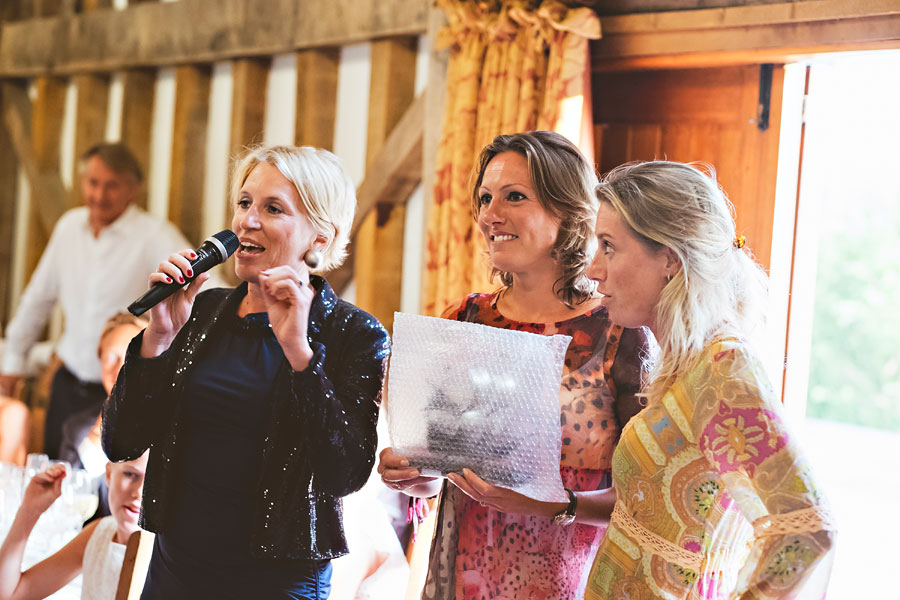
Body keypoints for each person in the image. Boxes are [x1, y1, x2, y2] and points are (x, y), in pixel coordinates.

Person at [527, 160, 832, 599]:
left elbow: (809, 530)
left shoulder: (725, 366)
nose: (594, 270)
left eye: (609, 247)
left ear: (668, 258)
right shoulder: (685, 362)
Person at [101, 145, 391, 600]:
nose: (246, 222)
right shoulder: (202, 312)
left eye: (272, 208)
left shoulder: (354, 333)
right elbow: (121, 442)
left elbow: (345, 473)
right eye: (244, 203)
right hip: (177, 570)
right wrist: (157, 339)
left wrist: (299, 353)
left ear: (320, 236)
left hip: (276, 582)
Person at [378, 131, 649, 599]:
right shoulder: (466, 318)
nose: (489, 215)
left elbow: (647, 499)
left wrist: (556, 505)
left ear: (567, 211)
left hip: (569, 580)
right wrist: (414, 474)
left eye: (514, 197)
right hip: (460, 577)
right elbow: (435, 470)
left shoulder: (620, 332)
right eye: (484, 198)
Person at [0, 143, 193, 461]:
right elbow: (38, 298)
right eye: (93, 183)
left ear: (134, 190)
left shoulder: (154, 235)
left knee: (100, 486)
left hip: (118, 389)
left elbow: (205, 286)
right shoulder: (68, 227)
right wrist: (12, 363)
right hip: (65, 384)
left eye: (112, 186)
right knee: (54, 477)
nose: (99, 195)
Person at [0, 453, 149, 600]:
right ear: (109, 474)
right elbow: (10, 593)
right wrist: (30, 510)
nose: (139, 492)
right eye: (130, 474)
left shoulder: (164, 557)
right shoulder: (98, 534)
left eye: (153, 480)